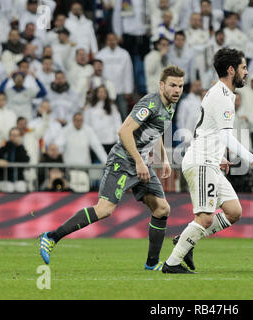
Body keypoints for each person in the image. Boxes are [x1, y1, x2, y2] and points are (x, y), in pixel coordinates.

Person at [39, 66, 185, 272]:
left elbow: (157, 130)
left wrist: (164, 159)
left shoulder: (170, 105)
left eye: (180, 85)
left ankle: (151, 263)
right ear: (161, 85)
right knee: (104, 209)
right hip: (124, 160)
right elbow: (124, 131)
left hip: (140, 162)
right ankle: (51, 237)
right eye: (172, 85)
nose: (177, 89)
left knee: (162, 209)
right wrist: (139, 161)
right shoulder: (149, 103)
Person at [163, 48, 253, 274]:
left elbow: (205, 129)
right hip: (202, 162)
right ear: (231, 70)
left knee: (234, 211)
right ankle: (171, 264)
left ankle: (186, 239)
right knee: (204, 218)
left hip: (210, 160)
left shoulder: (221, 94)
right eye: (243, 67)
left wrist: (218, 154)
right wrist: (252, 160)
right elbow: (225, 135)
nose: (247, 72)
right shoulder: (222, 96)